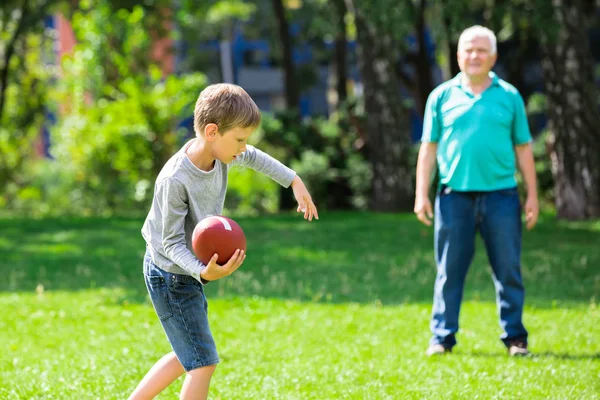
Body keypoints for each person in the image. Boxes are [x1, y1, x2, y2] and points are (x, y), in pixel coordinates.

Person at [129, 83, 319, 400]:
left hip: (185, 272)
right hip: (169, 273)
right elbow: (170, 243)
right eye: (240, 140)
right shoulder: (175, 178)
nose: (244, 148)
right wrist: (202, 272)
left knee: (187, 353)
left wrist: (293, 181)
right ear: (213, 132)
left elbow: (257, 158)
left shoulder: (225, 153)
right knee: (203, 362)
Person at [414, 25, 539, 357]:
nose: (474, 55)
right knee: (449, 271)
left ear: (493, 57)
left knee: (508, 269)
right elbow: (428, 148)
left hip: (502, 197)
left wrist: (533, 196)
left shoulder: (510, 96)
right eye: (468, 49)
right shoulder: (441, 96)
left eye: (482, 50)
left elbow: (524, 149)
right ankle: (442, 337)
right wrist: (421, 194)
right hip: (454, 198)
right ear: (457, 56)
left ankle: (515, 338)